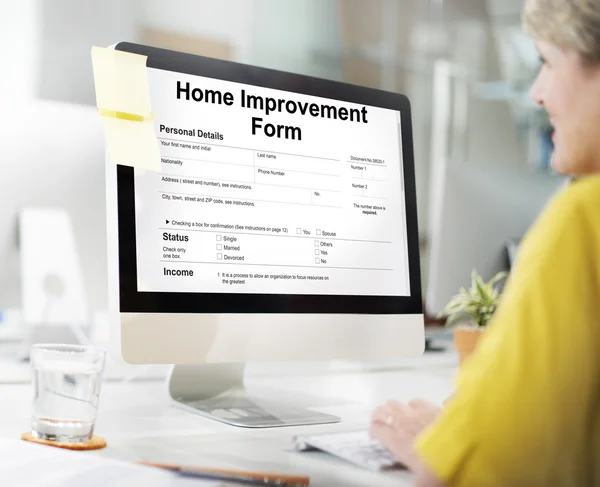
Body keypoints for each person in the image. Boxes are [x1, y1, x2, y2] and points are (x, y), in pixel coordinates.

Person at [369, 0, 600, 485]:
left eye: (548, 62)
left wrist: (439, 444)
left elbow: (486, 470)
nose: (537, 93)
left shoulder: (583, 217)